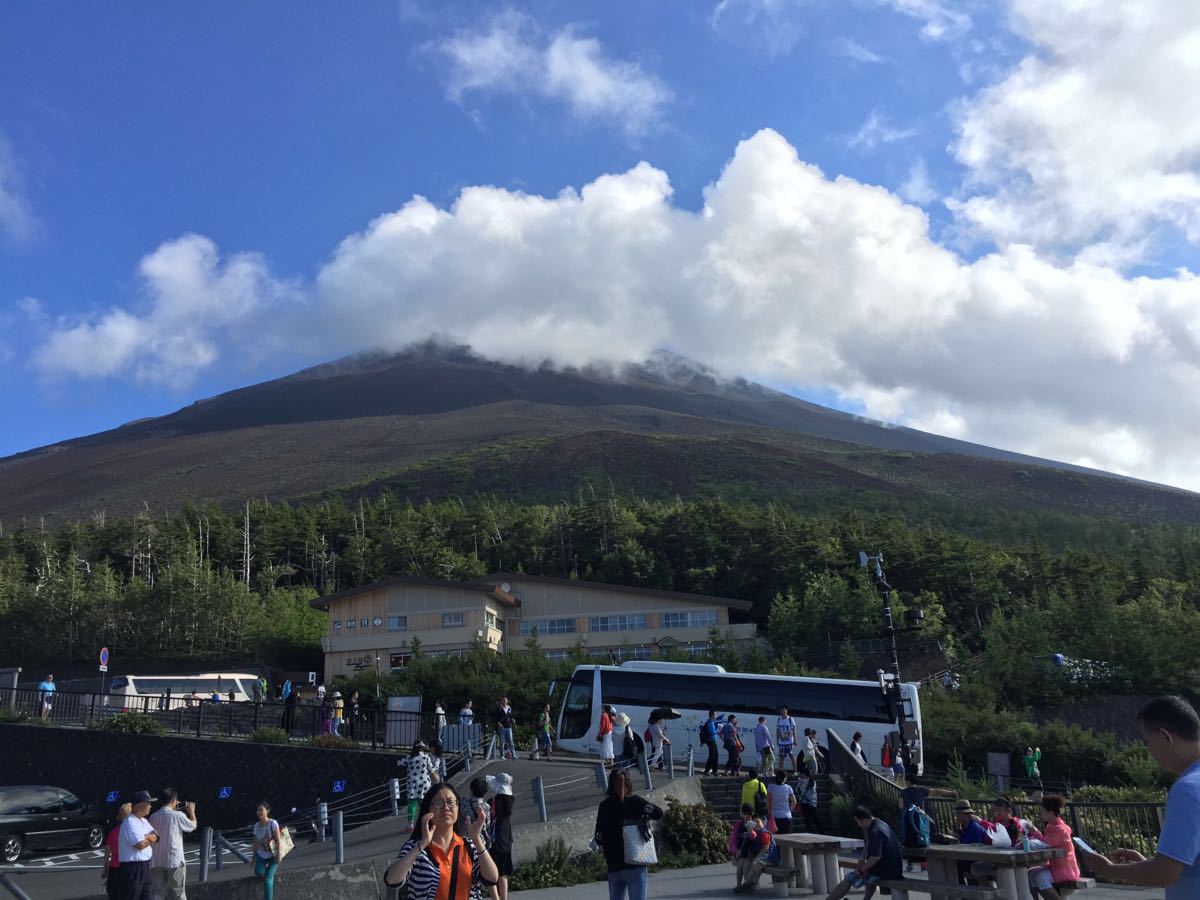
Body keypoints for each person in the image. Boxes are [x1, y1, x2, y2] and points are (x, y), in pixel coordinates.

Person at [1082, 695, 1200, 899]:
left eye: (1148, 742)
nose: (1149, 751)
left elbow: (1165, 873)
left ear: (1166, 737)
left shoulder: (1187, 790)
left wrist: (1107, 869)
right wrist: (1146, 864)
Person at [385, 782, 499, 900]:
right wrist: (422, 844)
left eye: (451, 802)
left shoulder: (469, 845)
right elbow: (392, 880)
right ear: (428, 809)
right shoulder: (416, 847)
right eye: (439, 803)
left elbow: (492, 878)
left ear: (458, 807)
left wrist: (476, 839)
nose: (446, 808)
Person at [594, 768, 663, 900]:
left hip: (614, 865)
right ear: (629, 783)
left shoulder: (604, 806)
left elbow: (598, 835)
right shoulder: (636, 802)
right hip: (635, 863)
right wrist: (642, 817)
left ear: (610, 784)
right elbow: (658, 812)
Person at [825, 805, 903, 900]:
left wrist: (860, 869)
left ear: (865, 820)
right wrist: (862, 860)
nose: (858, 825)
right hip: (892, 867)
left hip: (888, 871)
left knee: (850, 877)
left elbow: (875, 857)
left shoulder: (876, 831)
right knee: (868, 870)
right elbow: (867, 846)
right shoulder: (879, 824)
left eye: (858, 822)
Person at [1024, 795, 1081, 900]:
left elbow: (1043, 844)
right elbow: (1045, 843)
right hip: (1055, 867)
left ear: (1050, 813)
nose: (1041, 813)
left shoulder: (1060, 830)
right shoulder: (1052, 827)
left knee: (1041, 877)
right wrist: (1035, 832)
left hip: (1065, 870)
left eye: (1043, 810)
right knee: (1031, 874)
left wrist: (1034, 832)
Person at [148, 788, 197, 899]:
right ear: (173, 800)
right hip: (174, 859)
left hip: (156, 859)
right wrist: (192, 812)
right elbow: (192, 826)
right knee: (178, 893)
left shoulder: (153, 816)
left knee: (156, 893)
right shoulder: (177, 815)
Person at [116, 790, 159, 900]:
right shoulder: (129, 822)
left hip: (144, 866)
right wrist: (148, 837)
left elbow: (157, 836)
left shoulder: (144, 821)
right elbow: (140, 845)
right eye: (148, 803)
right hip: (132, 868)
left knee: (148, 897)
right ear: (139, 806)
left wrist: (146, 837)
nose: (150, 806)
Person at [729, 804, 772, 894]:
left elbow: (755, 837)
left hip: (749, 851)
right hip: (741, 851)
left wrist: (751, 831)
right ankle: (739, 885)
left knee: (745, 864)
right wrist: (734, 851)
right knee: (741, 864)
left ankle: (748, 885)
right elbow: (732, 839)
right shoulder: (739, 824)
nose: (747, 816)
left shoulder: (753, 824)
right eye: (745, 813)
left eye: (749, 814)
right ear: (742, 814)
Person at [486, 773, 515, 900]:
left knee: (491, 873)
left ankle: (496, 898)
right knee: (503, 874)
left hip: (495, 840)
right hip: (507, 840)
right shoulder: (510, 801)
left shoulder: (492, 802)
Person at [250, 801, 283, 900]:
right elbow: (255, 843)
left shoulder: (273, 823)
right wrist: (253, 858)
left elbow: (278, 840)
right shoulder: (256, 825)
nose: (259, 812)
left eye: (261, 810)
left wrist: (278, 856)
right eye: (257, 810)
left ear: (267, 811)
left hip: (273, 855)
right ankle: (269, 875)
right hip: (261, 855)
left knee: (268, 881)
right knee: (258, 871)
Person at [405, 741, 440, 830]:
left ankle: (410, 824)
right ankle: (426, 822)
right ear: (422, 748)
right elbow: (431, 770)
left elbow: (399, 762)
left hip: (412, 784)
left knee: (411, 804)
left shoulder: (409, 757)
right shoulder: (425, 757)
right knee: (424, 804)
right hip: (424, 784)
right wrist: (436, 778)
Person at [100, 802, 131, 900]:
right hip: (127, 868)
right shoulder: (132, 832)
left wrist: (105, 869)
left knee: (114, 895)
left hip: (114, 868)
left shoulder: (113, 832)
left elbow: (107, 852)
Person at [767, 769, 796, 834]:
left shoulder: (771, 786)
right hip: (787, 816)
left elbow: (767, 801)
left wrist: (769, 811)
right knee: (786, 840)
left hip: (775, 816)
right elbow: (794, 802)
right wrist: (789, 810)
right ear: (785, 778)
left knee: (776, 840)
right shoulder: (788, 787)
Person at [776, 707, 798, 773]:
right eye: (781, 711)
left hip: (789, 741)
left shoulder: (790, 719)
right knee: (781, 756)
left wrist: (795, 740)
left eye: (784, 711)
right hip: (781, 742)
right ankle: (780, 771)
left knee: (792, 756)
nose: (783, 712)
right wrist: (778, 739)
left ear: (787, 711)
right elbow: (778, 730)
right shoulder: (779, 719)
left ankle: (795, 771)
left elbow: (793, 730)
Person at [702, 710, 722, 776]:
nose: (716, 716)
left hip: (712, 741)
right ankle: (707, 771)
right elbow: (712, 732)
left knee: (715, 756)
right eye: (715, 715)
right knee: (712, 756)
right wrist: (718, 729)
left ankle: (714, 771)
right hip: (711, 741)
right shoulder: (710, 723)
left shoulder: (711, 722)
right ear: (712, 715)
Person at [597, 704, 616, 769]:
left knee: (605, 748)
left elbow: (603, 726)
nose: (602, 709)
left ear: (605, 709)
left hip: (605, 733)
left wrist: (599, 734)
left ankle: (607, 763)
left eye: (603, 708)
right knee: (609, 747)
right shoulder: (609, 715)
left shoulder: (604, 715)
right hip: (610, 732)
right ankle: (611, 762)